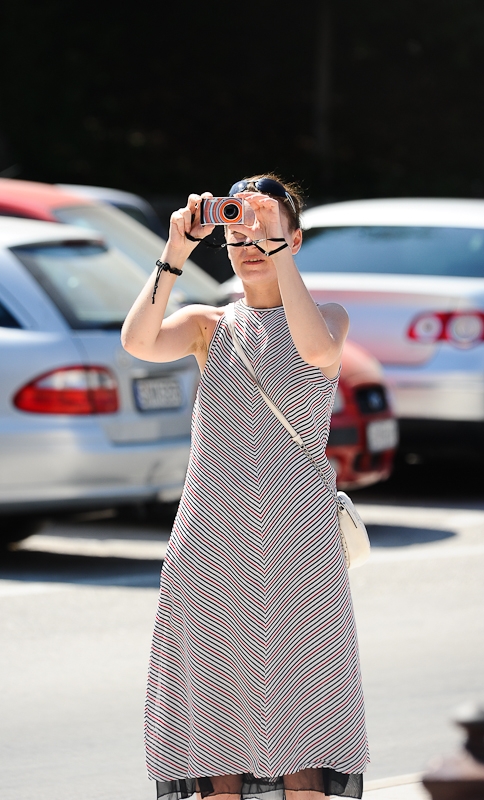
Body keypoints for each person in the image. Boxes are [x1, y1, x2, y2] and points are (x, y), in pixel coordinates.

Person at [121, 175, 369, 800]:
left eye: (266, 233)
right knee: (213, 732)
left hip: (300, 549)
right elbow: (139, 342)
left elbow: (313, 349)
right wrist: (175, 251)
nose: (250, 245)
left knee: (308, 729)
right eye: (239, 234)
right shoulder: (207, 324)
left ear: (295, 239)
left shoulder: (328, 318)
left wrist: (278, 252)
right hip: (211, 546)